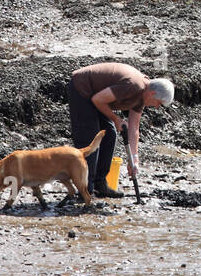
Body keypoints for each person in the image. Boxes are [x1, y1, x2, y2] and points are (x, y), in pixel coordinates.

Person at [68, 62, 174, 198]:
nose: (158, 107)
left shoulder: (143, 95)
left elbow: (134, 127)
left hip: (96, 97)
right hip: (82, 88)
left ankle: (100, 184)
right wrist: (116, 119)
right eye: (159, 103)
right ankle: (85, 190)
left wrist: (134, 159)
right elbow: (97, 99)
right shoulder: (134, 86)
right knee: (90, 140)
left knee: (109, 134)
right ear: (152, 94)